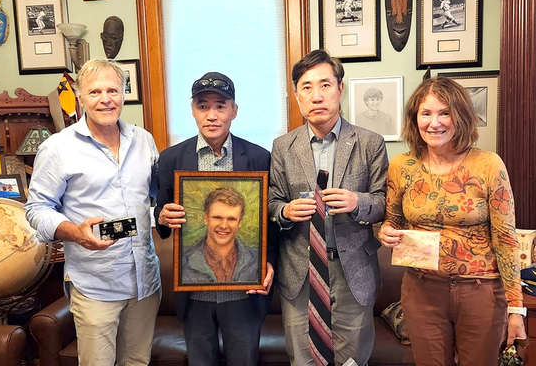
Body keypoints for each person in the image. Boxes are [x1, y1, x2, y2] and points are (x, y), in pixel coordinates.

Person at [378, 77, 527, 366]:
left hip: (481, 292)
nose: (435, 123)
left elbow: (507, 240)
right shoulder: (401, 166)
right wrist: (386, 232)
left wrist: (516, 309)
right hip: (422, 292)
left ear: (460, 116)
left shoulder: (488, 165)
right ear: (415, 118)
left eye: (444, 113)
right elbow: (391, 220)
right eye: (426, 113)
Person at [25, 59, 161, 366]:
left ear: (123, 93)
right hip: (96, 284)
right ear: (80, 96)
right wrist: (74, 232)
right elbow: (36, 209)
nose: (105, 99)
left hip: (145, 282)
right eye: (95, 91)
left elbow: (153, 195)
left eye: (112, 90)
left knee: (137, 362)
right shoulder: (58, 148)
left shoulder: (143, 140)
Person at [268, 49, 389, 366]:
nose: (316, 95)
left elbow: (383, 202)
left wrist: (356, 202)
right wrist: (285, 212)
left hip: (352, 271)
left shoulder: (369, 142)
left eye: (324, 85)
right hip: (300, 271)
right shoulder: (283, 146)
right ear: (297, 96)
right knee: (303, 359)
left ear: (340, 89)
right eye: (306, 87)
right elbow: (271, 201)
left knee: (352, 359)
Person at [154, 71, 275, 366]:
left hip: (243, 294)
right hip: (194, 294)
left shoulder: (259, 158)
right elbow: (161, 218)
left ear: (234, 110)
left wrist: (268, 262)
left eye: (220, 106)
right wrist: (163, 215)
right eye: (203, 106)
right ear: (193, 110)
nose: (212, 115)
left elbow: (269, 222)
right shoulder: (171, 159)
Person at [182, 186, 258, 284]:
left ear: (240, 222)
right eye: (217, 218)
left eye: (231, 219)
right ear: (206, 218)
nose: (223, 226)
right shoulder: (183, 259)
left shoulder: (256, 260)